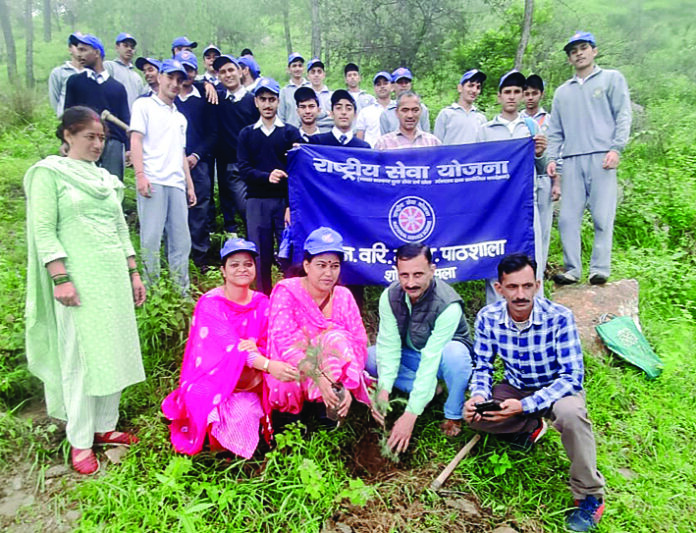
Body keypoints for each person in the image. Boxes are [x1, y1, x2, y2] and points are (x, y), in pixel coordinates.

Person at [24, 106, 146, 475]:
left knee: (113, 349)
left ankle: (105, 426)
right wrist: (60, 277)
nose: (97, 144)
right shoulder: (49, 174)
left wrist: (134, 273)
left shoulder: (105, 180)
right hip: (77, 279)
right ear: (67, 136)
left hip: (111, 276)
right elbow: (44, 229)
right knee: (79, 357)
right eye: (90, 137)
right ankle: (80, 440)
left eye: (102, 139)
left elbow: (119, 228)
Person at [464, 253, 605, 532]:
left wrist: (526, 404)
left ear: (537, 285)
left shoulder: (559, 317)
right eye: (512, 287)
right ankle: (531, 427)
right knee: (473, 417)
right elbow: (483, 367)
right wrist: (479, 397)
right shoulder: (488, 318)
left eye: (527, 286)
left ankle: (589, 494)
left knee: (572, 415)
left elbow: (572, 376)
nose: (520, 294)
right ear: (499, 288)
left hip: (556, 388)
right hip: (515, 386)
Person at [161, 238, 299, 458]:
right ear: (223, 270)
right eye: (235, 264)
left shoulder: (263, 303)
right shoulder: (210, 304)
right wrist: (264, 362)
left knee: (252, 407)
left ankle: (243, 444)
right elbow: (229, 348)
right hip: (212, 378)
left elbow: (272, 341)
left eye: (248, 263)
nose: (242, 269)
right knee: (203, 401)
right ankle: (216, 445)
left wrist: (258, 348)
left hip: (250, 380)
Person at [366, 242, 474, 451]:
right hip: (410, 354)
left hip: (442, 359)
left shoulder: (448, 306)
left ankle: (452, 413)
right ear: (396, 272)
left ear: (431, 271)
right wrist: (384, 389)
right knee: (369, 357)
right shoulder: (389, 297)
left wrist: (411, 414)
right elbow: (389, 345)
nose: (411, 282)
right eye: (404, 275)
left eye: (418, 274)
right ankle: (431, 389)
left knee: (455, 356)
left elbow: (431, 358)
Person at [546, 31, 632, 286]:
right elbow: (555, 131)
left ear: (594, 51)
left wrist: (616, 148)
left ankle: (599, 269)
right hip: (572, 159)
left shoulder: (611, 79)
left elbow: (623, 115)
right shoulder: (563, 92)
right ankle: (572, 269)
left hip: (601, 157)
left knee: (602, 217)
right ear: (569, 59)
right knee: (567, 219)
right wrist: (553, 158)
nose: (579, 53)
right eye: (574, 51)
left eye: (584, 48)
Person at [266, 227, 371, 420]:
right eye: (321, 265)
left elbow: (358, 342)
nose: (328, 273)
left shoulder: (343, 296)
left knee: (335, 339)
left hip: (332, 373)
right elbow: (284, 341)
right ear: (307, 265)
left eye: (334, 266)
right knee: (286, 378)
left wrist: (347, 384)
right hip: (297, 365)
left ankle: (328, 408)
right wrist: (317, 375)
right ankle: (290, 421)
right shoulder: (287, 291)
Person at [476, 70, 549, 305]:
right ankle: (495, 314)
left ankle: (534, 311)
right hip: (496, 208)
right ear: (498, 96)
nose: (511, 96)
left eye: (516, 92)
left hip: (526, 205)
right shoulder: (486, 130)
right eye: (507, 92)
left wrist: (540, 153)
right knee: (495, 258)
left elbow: (542, 168)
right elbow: (476, 169)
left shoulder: (531, 128)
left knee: (531, 257)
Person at [130, 59, 197, 294]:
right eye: (170, 77)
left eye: (179, 80)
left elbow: (181, 153)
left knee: (181, 241)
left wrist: (189, 185)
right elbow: (136, 140)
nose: (174, 84)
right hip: (154, 181)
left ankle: (181, 292)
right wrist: (140, 175)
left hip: (176, 183)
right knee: (151, 239)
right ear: (159, 77)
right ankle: (152, 292)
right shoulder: (144, 106)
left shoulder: (180, 118)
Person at [238, 77, 303, 295]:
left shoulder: (290, 133)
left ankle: (291, 300)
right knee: (260, 256)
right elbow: (244, 169)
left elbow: (298, 172)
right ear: (256, 102)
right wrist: (267, 176)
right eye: (263, 99)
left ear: (278, 101)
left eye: (272, 99)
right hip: (256, 201)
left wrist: (290, 205)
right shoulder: (247, 134)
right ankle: (262, 302)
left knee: (289, 254)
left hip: (284, 203)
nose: (267, 104)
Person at [64, 33, 130, 181]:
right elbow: (68, 114)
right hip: (82, 140)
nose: (79, 54)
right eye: (78, 50)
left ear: (97, 52)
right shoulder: (75, 82)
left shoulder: (117, 87)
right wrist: (65, 140)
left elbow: (125, 118)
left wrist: (129, 148)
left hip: (113, 143)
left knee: (112, 185)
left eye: (83, 50)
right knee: (82, 184)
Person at [174, 51, 218, 269]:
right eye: (182, 70)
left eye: (190, 70)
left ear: (196, 72)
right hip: (171, 162)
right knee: (175, 210)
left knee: (199, 208)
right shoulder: (168, 98)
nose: (186, 74)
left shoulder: (204, 97)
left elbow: (213, 132)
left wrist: (196, 156)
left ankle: (200, 257)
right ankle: (179, 257)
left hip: (198, 163)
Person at [214, 54, 260, 235]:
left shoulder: (253, 101)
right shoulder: (216, 99)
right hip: (224, 163)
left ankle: (256, 249)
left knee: (247, 209)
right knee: (228, 211)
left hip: (248, 165)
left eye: (231, 69)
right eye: (222, 72)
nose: (227, 75)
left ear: (241, 72)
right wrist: (207, 85)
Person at [521, 73, 554, 275]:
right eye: (527, 93)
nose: (530, 97)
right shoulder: (519, 121)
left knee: (544, 227)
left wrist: (557, 179)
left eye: (534, 93)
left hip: (545, 176)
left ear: (541, 94)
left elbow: (558, 148)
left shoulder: (549, 120)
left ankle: (539, 273)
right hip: (524, 180)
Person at [434, 69, 488, 144]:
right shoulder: (446, 114)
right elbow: (437, 144)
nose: (474, 90)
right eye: (470, 85)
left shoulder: (481, 118)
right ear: (460, 88)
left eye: (478, 87)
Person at [375, 91, 441, 150]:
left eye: (415, 110)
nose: (410, 115)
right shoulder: (384, 143)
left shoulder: (432, 143)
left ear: (421, 111)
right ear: (397, 112)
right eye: (405, 110)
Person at [306, 90, 371, 148]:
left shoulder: (363, 147)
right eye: (338, 108)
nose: (343, 112)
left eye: (349, 109)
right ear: (331, 113)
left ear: (355, 115)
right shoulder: (316, 142)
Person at [379, 67, 430, 134]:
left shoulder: (422, 109)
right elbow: (384, 139)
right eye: (400, 82)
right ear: (392, 86)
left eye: (406, 82)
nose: (404, 85)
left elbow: (426, 133)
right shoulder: (386, 113)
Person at [104, 32, 144, 110]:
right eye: (125, 45)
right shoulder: (109, 66)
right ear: (117, 47)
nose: (129, 49)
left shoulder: (137, 77)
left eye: (132, 47)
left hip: (132, 118)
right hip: (113, 117)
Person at [48, 32, 85, 117]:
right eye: (76, 45)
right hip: (67, 121)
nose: (79, 48)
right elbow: (55, 99)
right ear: (70, 49)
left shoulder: (92, 73)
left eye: (83, 46)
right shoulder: (58, 73)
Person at [355, 71, 393, 147]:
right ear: (374, 88)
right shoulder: (365, 112)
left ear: (392, 87)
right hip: (371, 155)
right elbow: (359, 138)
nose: (382, 87)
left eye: (385, 83)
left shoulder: (399, 110)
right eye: (378, 84)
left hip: (394, 154)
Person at [278, 52, 311, 127]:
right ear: (289, 69)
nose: (297, 69)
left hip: (309, 132)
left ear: (304, 69)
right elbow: (281, 116)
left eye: (300, 66)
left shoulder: (310, 88)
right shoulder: (284, 91)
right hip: (290, 133)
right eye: (294, 66)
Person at [306, 57, 333, 131]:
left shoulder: (332, 96)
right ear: (308, 76)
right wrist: (327, 113)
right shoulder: (304, 96)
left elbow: (335, 119)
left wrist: (316, 117)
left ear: (324, 75)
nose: (316, 75)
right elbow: (303, 118)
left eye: (319, 71)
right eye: (313, 72)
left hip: (328, 132)